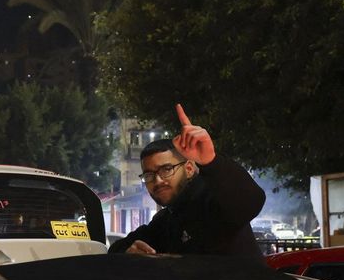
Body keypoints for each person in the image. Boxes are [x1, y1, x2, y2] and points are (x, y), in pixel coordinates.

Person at [109, 104, 265, 258]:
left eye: (167, 169)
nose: (158, 180)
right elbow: (118, 248)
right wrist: (128, 252)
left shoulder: (212, 200)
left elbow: (250, 202)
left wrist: (211, 161)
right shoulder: (166, 220)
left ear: (189, 169)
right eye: (149, 175)